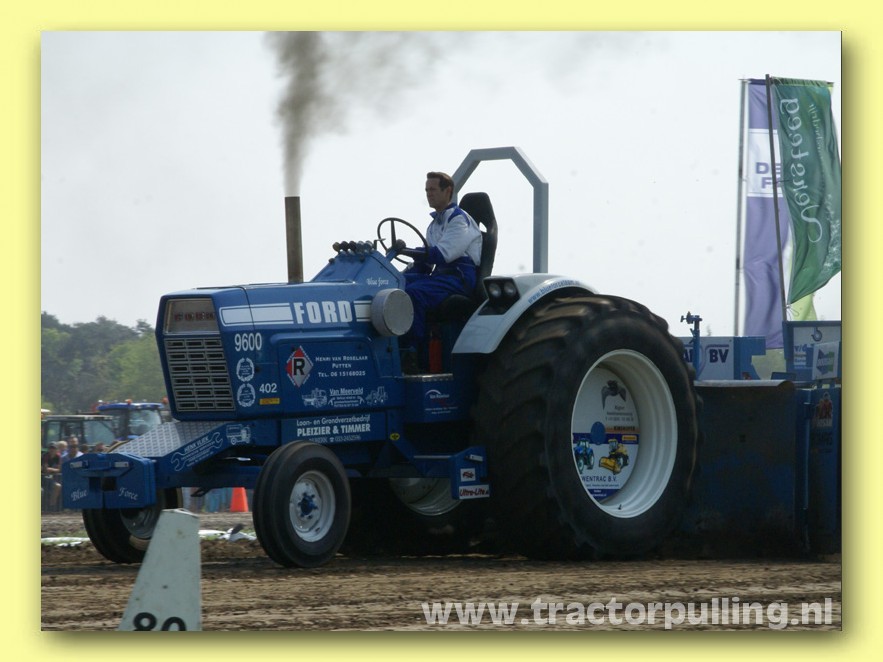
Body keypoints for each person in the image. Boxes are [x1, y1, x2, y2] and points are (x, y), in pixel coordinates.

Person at [402, 171, 482, 363]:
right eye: (426, 190)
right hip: (440, 277)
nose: (429, 194)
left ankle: (411, 352)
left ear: (448, 191)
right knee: (396, 286)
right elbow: (425, 265)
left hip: (458, 277)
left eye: (433, 189)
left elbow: (443, 254)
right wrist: (397, 275)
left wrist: (408, 251)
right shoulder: (433, 226)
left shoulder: (459, 220)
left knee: (414, 293)